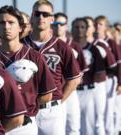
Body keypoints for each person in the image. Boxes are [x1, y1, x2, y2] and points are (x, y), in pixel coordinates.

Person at [0, 5, 56, 135]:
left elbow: (47, 95)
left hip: (24, 126)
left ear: (20, 28)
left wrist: (24, 105)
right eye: (2, 23)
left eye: (11, 22)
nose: (6, 26)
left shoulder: (35, 56)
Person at [22, 1, 81, 135]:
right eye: (37, 14)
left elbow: (74, 80)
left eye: (45, 14)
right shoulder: (21, 44)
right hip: (25, 109)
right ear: (32, 16)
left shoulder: (62, 47)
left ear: (52, 19)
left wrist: (59, 102)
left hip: (52, 111)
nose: (41, 17)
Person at [52, 12, 88, 135]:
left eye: (62, 24)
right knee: (57, 129)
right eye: (56, 23)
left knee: (73, 127)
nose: (58, 26)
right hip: (53, 94)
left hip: (71, 92)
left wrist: (72, 84)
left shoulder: (75, 46)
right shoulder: (47, 45)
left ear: (66, 26)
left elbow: (82, 69)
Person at [95, 15, 121, 135]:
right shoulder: (92, 41)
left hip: (110, 79)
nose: (97, 26)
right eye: (96, 24)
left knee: (110, 110)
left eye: (100, 24)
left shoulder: (110, 42)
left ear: (105, 27)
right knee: (99, 109)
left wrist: (120, 82)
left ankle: (112, 132)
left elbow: (119, 63)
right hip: (97, 81)